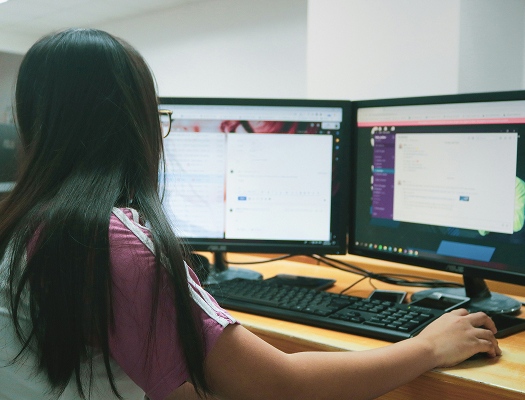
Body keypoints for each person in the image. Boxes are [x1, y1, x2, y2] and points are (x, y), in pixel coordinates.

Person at [0, 28, 501, 400]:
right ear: (137, 125)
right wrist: (429, 347)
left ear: (30, 123)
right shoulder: (109, 243)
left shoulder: (25, 223)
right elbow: (280, 386)